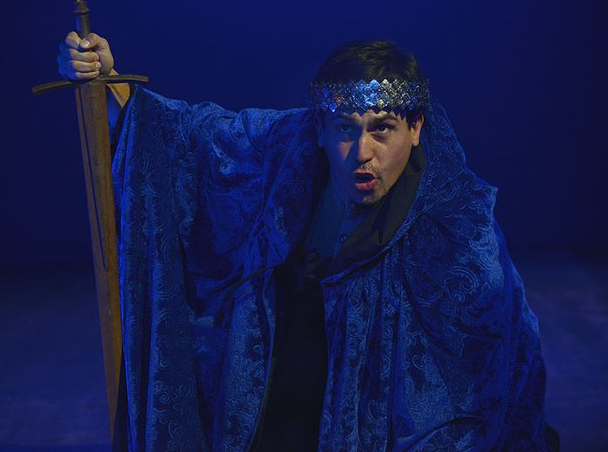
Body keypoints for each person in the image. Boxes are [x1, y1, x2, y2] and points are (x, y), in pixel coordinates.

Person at [58, 32, 555, 451]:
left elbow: (485, 381)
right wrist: (109, 81)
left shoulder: (460, 231)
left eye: (383, 129)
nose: (362, 152)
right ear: (320, 128)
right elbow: (193, 136)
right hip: (276, 414)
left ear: (416, 127)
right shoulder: (289, 149)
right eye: (345, 129)